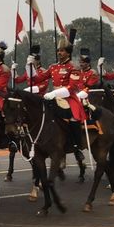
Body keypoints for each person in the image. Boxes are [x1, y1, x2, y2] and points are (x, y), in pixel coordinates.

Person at [27, 29, 86, 160]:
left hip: (69, 98)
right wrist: (29, 66)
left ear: (68, 53)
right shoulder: (53, 67)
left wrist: (54, 93)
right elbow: (37, 79)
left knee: (73, 119)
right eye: (58, 50)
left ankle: (76, 146)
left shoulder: (74, 67)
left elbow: (71, 88)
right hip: (54, 97)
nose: (59, 53)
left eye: (62, 50)